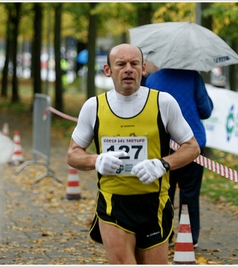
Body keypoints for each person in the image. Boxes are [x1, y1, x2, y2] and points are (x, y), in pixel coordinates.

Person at [67, 43, 200, 264]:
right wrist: (96, 160)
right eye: (121, 64)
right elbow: (73, 154)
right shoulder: (94, 107)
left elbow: (192, 147)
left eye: (134, 63)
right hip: (113, 203)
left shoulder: (163, 103)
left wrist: (162, 164)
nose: (128, 69)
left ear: (144, 68)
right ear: (108, 70)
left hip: (154, 203)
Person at [146, 68, 214, 248]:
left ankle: (164, 235)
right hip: (192, 144)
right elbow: (205, 111)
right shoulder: (193, 77)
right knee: (190, 192)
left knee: (164, 192)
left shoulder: (152, 79)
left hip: (163, 144)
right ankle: (190, 238)